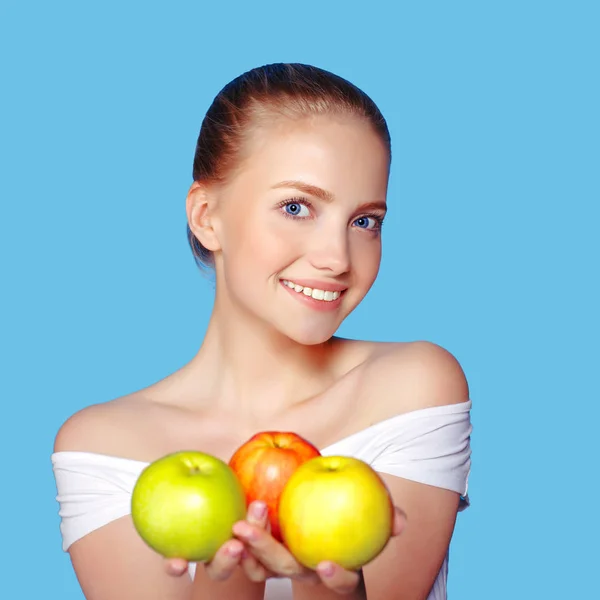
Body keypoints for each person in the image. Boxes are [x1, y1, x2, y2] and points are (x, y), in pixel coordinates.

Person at [51, 63, 472, 600]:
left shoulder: (413, 386)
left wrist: (327, 586)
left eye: (365, 220)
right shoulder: (104, 446)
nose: (336, 258)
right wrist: (228, 580)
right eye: (297, 207)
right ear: (206, 217)